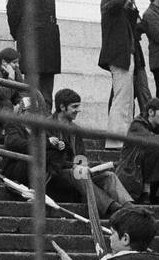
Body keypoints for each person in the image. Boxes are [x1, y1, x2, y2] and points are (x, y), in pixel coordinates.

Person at [46, 88, 134, 217]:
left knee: (109, 175)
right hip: (55, 175)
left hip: (77, 173)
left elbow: (81, 155)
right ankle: (112, 208)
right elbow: (47, 158)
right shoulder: (47, 125)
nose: (78, 110)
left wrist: (84, 166)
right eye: (74, 107)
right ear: (62, 107)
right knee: (78, 173)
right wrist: (74, 166)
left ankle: (130, 207)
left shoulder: (76, 130)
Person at [6, 0, 61, 101]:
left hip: (49, 46)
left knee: (47, 92)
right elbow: (13, 13)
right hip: (31, 45)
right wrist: (22, 35)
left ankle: (45, 121)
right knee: (31, 89)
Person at [98, 0, 144, 147]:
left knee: (126, 100)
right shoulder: (110, 1)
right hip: (118, 56)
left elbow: (136, 26)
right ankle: (116, 140)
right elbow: (113, 6)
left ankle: (122, 137)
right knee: (121, 99)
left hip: (127, 55)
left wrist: (131, 7)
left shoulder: (123, 6)